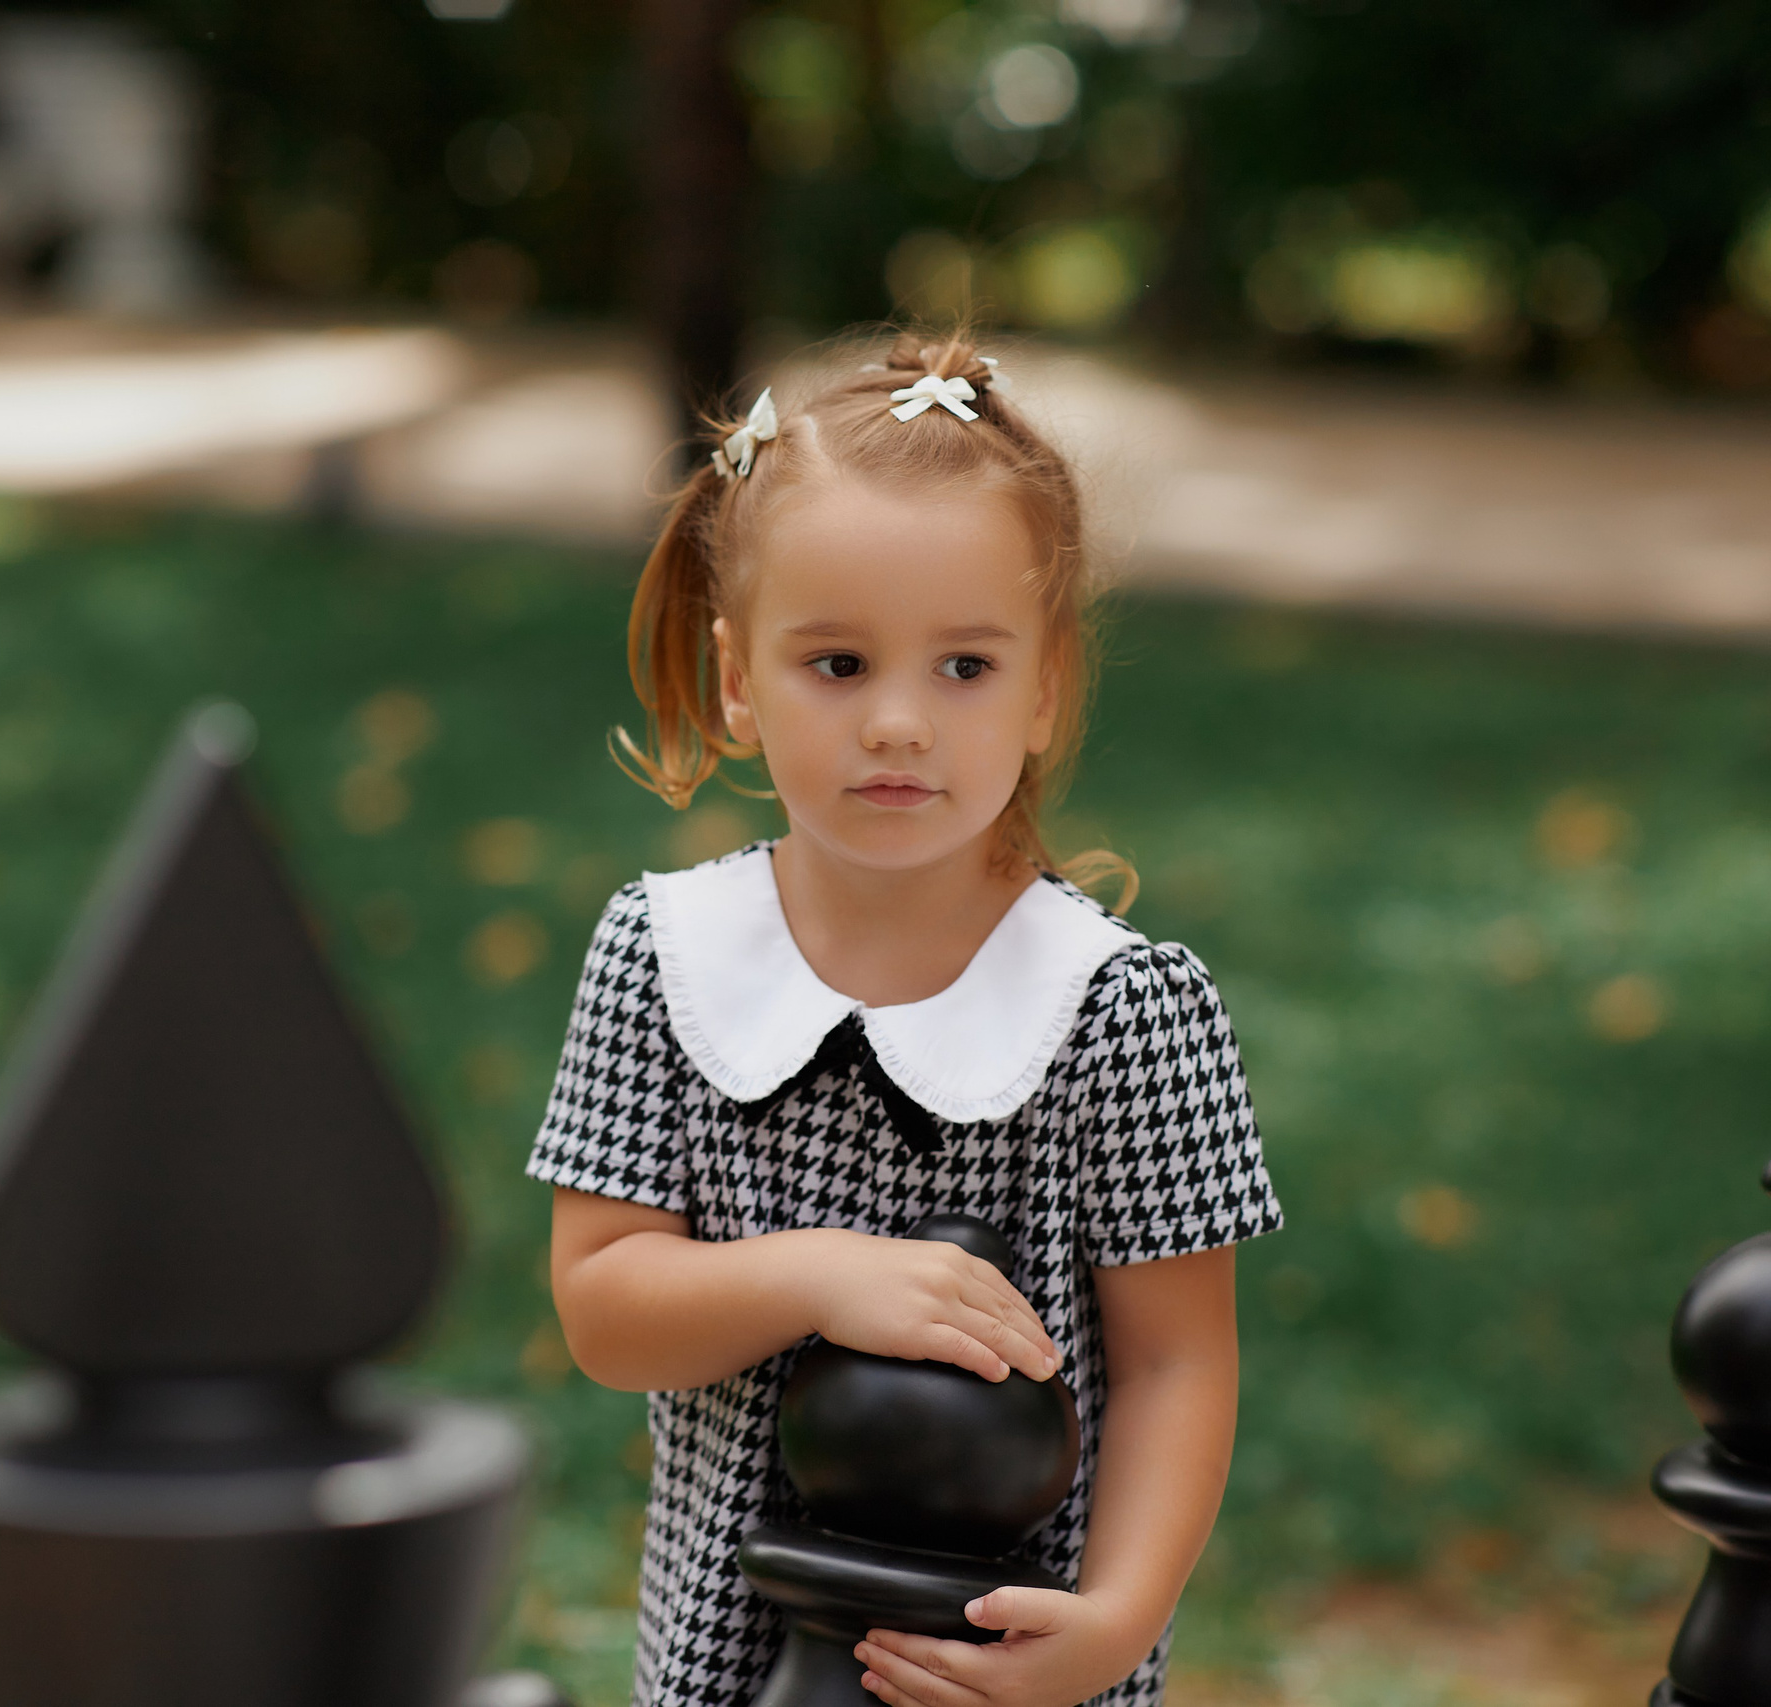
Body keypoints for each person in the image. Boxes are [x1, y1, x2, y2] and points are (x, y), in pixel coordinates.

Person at [527, 329, 1283, 1707]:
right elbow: (603, 1308)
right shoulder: (667, 958)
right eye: (836, 665)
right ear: (740, 680)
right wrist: (817, 1274)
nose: (895, 724)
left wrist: (1113, 1625)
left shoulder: (1124, 1015)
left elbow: (1177, 1362)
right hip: (727, 1664)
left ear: (1045, 687)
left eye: (963, 669)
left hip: (1003, 1670)